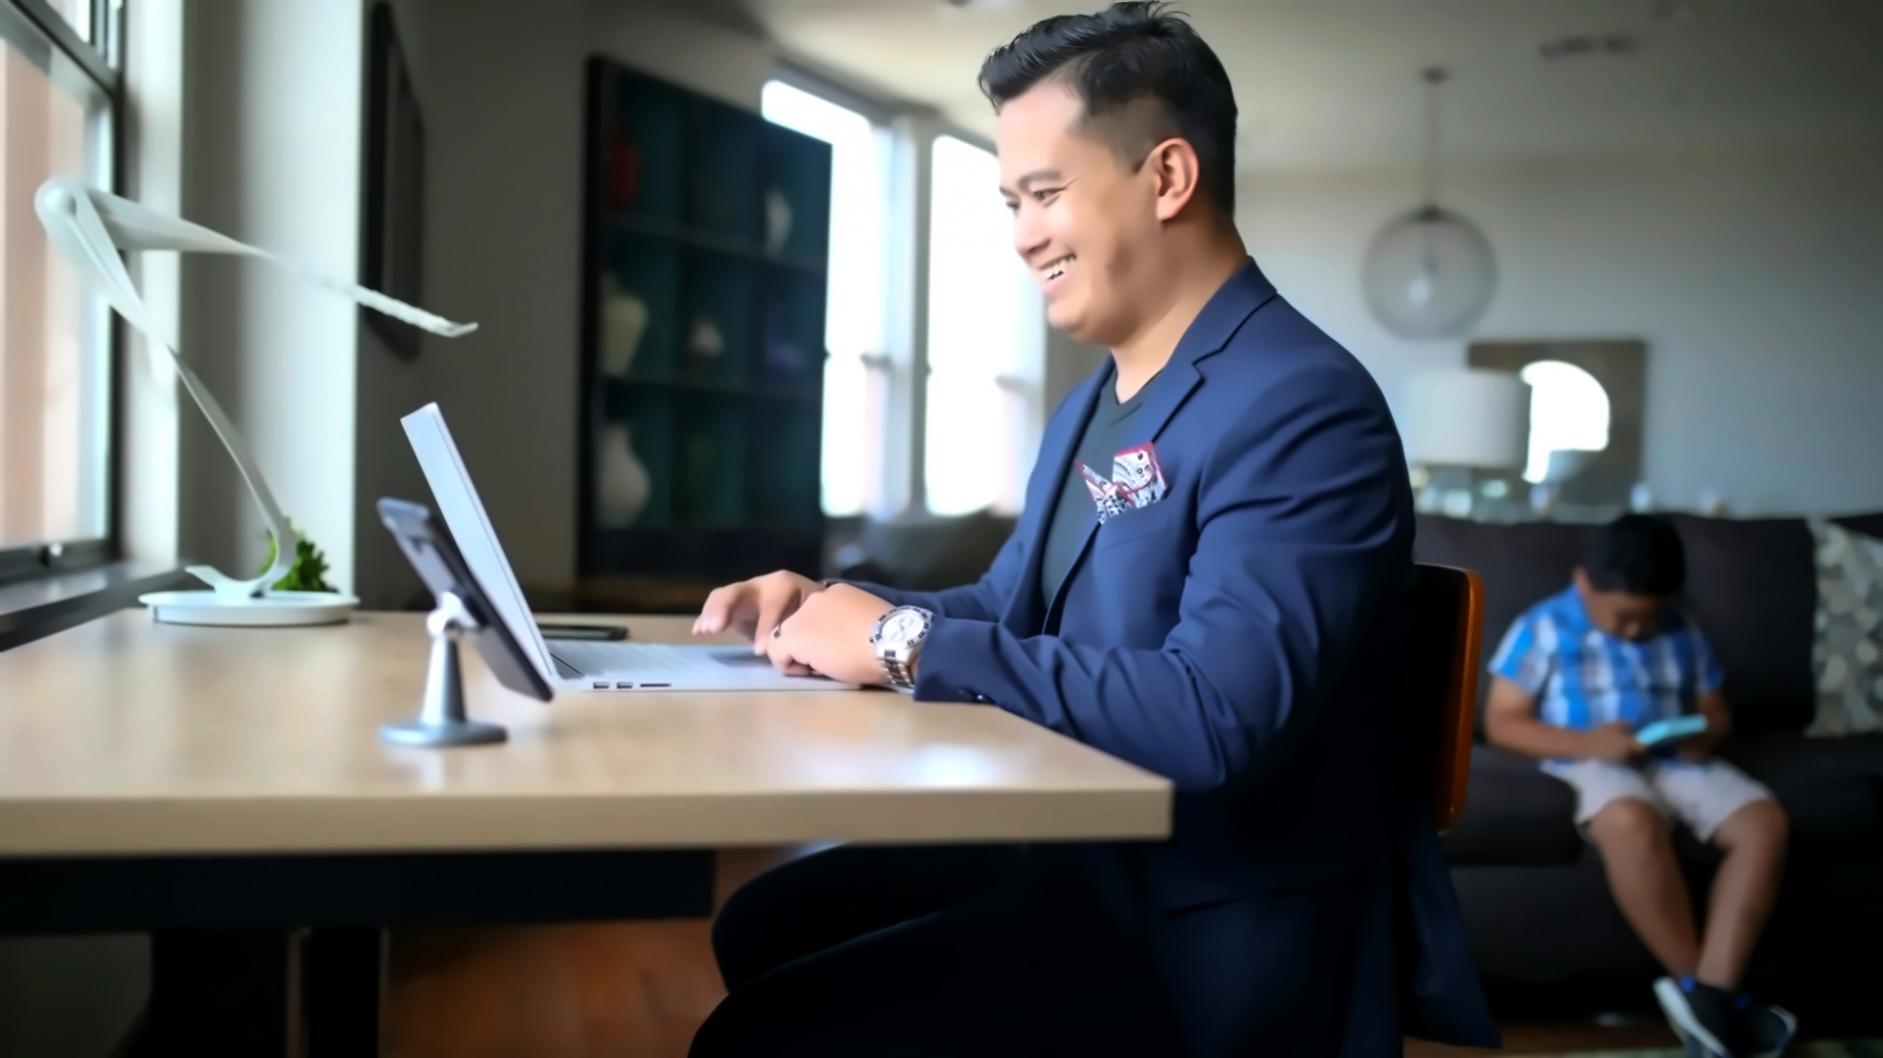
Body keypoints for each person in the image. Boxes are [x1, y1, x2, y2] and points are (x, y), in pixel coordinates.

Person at [686, 4, 1495, 1055]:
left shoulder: (1302, 402)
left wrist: (901, 646)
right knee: (765, 919)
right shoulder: (1091, 403)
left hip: (1208, 928)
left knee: (755, 1036)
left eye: (1045, 192)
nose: (1020, 233)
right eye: (1009, 199)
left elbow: (1214, 717)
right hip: (1080, 855)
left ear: (1166, 178)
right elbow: (1005, 606)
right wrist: (843, 610)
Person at [1484, 514, 1796, 1058]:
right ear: (1584, 582)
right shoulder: (1543, 628)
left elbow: (1714, 708)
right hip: (1590, 762)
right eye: (1622, 618)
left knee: (1763, 823)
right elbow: (1502, 722)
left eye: (1645, 619)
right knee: (1629, 819)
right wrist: (1588, 745)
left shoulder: (1681, 627)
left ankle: (1713, 995)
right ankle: (1707, 995)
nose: (1634, 630)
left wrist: (1706, 731)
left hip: (1674, 760)